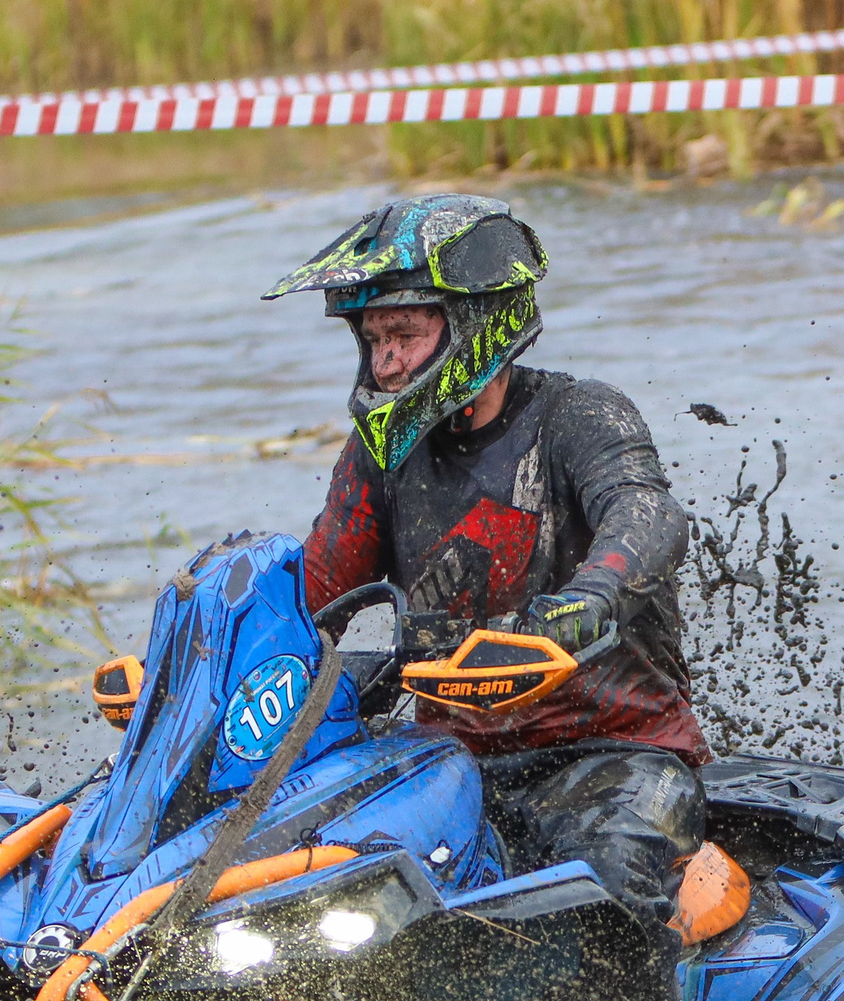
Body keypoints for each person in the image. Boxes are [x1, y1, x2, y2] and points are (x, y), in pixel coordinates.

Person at [266, 193, 711, 942]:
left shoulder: (579, 415)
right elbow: (316, 587)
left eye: (405, 334)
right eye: (373, 339)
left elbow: (648, 514)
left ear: (477, 322)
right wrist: (208, 658)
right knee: (309, 882)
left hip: (617, 757)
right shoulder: (380, 454)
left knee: (602, 894)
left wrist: (589, 601)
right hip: (449, 764)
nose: (386, 362)